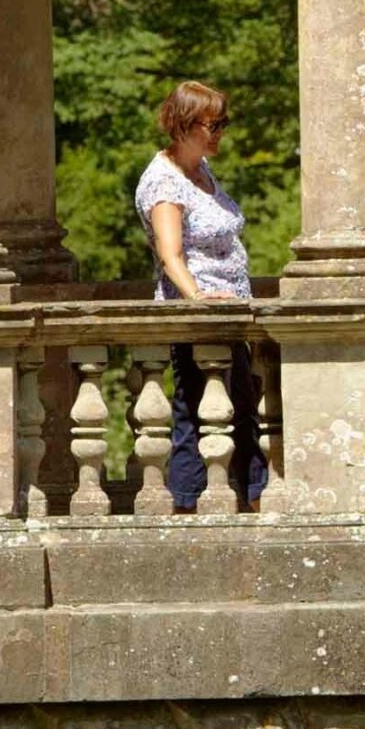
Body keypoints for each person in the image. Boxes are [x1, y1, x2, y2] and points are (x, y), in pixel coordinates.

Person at [135, 81, 269, 511]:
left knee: (244, 408)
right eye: (211, 125)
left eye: (223, 124)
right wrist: (197, 298)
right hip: (198, 317)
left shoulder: (201, 172)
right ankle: (188, 506)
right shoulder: (163, 182)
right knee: (195, 414)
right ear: (183, 125)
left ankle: (253, 498)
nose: (219, 133)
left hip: (229, 312)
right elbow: (171, 255)